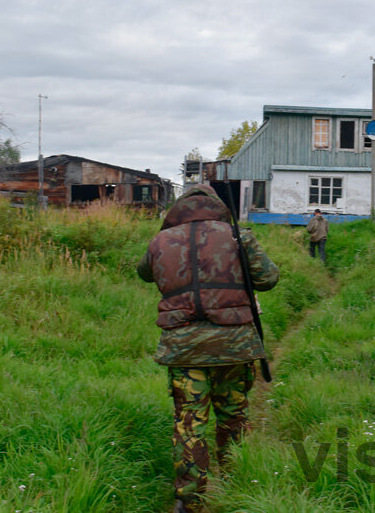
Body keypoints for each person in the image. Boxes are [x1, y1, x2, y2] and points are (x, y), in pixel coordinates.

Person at [137, 184, 279, 512]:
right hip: (235, 345)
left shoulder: (160, 241)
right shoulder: (237, 236)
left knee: (189, 421)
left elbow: (145, 273)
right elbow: (269, 279)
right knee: (234, 416)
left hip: (184, 349)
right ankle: (235, 482)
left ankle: (189, 500)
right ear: (214, 206)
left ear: (179, 207)